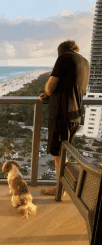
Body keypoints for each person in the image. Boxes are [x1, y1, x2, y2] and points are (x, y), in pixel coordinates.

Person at [39, 40, 90, 195]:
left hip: (62, 116)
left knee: (58, 156)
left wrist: (48, 93)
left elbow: (49, 88)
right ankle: (65, 187)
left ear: (61, 51)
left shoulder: (64, 57)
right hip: (74, 116)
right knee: (63, 155)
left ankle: (60, 189)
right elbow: (69, 88)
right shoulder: (85, 62)